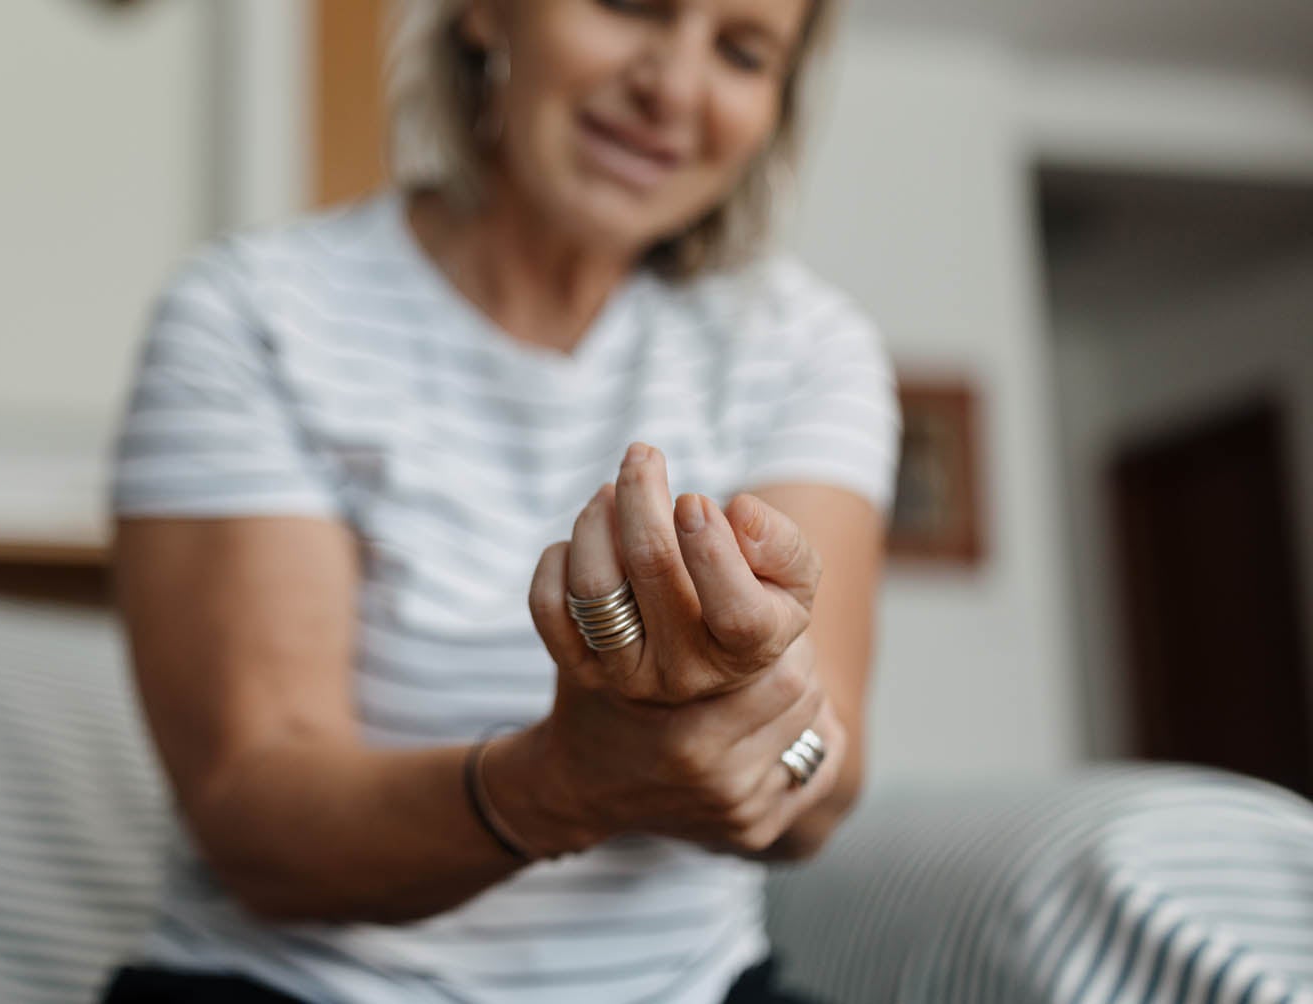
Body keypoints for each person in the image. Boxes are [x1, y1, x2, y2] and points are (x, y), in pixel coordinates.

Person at [104, 0, 898, 1000]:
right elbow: (253, 816)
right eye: (630, 6)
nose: (673, 87)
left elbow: (823, 781)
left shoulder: (805, 347)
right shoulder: (249, 316)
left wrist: (764, 726)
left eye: (740, 52)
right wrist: (556, 782)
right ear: (483, 13)